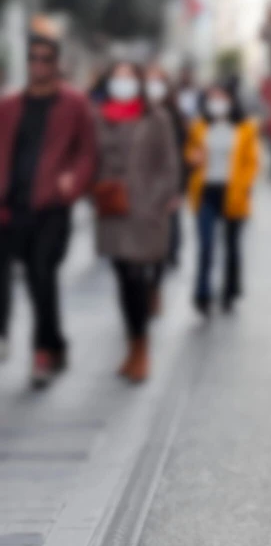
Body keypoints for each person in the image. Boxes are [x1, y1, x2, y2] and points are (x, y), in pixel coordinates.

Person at [0, 34, 97, 386]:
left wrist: (74, 180)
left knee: (43, 276)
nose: (39, 65)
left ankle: (42, 353)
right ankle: (43, 341)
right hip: (11, 207)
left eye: (45, 58)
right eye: (33, 58)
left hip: (52, 208)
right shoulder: (9, 106)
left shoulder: (74, 103)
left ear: (57, 64)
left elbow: (88, 151)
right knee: (12, 278)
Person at [92, 62, 180, 383]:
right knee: (121, 277)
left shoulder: (156, 117)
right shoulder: (99, 116)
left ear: (139, 82)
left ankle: (141, 350)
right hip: (112, 209)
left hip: (144, 212)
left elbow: (169, 166)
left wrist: (154, 202)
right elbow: (91, 158)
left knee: (134, 277)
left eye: (129, 77)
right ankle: (132, 347)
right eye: (117, 77)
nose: (123, 83)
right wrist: (94, 188)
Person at [186, 84, 260, 316]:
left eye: (222, 98)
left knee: (231, 247)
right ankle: (202, 293)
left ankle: (230, 291)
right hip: (206, 191)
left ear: (231, 101)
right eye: (212, 98)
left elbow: (252, 161)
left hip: (233, 193)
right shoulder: (199, 126)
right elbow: (189, 151)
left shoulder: (246, 128)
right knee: (206, 245)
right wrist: (192, 156)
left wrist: (245, 185)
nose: (217, 103)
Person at [145, 65, 188, 271]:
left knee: (171, 217)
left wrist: (179, 186)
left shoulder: (173, 114)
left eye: (158, 81)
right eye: (149, 81)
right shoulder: (139, 111)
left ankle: (170, 252)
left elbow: (180, 152)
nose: (153, 86)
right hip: (143, 179)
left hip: (168, 177)